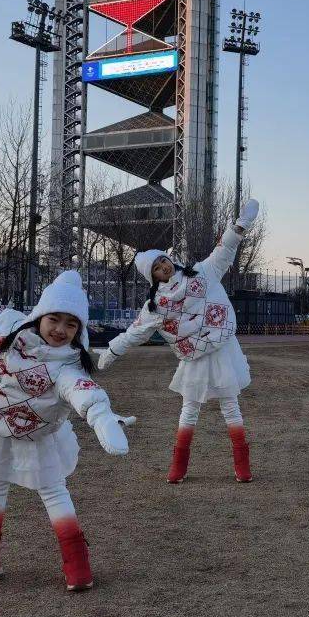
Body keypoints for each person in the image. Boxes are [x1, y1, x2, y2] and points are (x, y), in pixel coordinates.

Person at [0, 270, 134, 591]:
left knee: (52, 490)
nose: (61, 330)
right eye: (55, 319)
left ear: (79, 330)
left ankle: (77, 562)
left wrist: (101, 415)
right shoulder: (1, 325)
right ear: (40, 315)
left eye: (71, 324)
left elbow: (83, 390)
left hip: (37, 433)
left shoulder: (67, 364)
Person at [99, 199, 260, 484]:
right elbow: (136, 332)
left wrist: (239, 226)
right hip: (194, 356)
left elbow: (224, 250)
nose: (164, 266)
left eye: (164, 260)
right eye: (158, 268)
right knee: (190, 408)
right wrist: (111, 350)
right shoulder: (156, 306)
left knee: (229, 403)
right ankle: (179, 465)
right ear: (153, 277)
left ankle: (242, 464)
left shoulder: (203, 272)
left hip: (221, 348)